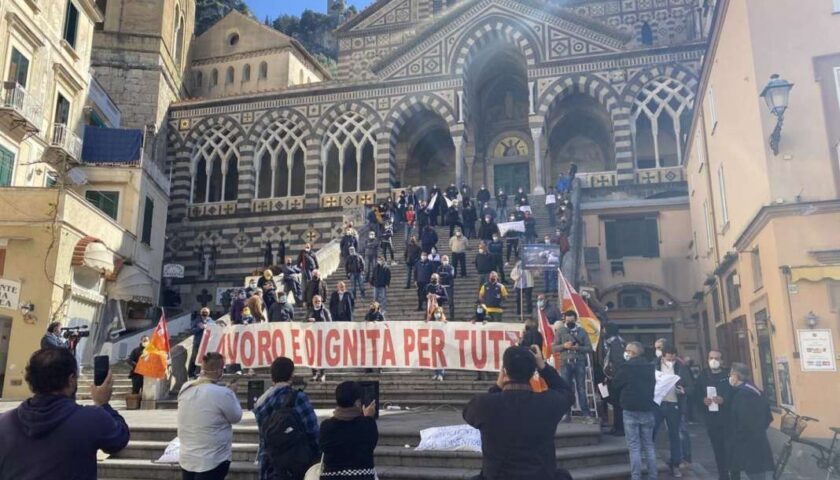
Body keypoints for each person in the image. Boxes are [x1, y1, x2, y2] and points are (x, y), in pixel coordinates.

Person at [0, 348, 129, 480]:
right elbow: (118, 440)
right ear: (71, 379)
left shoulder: (4, 422)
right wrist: (103, 404)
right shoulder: (91, 419)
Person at [463, 345, 574, 480]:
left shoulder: (484, 404)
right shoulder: (548, 402)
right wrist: (543, 367)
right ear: (533, 372)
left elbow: (467, 413)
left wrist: (497, 387)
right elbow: (567, 392)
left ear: (504, 372)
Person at [178, 352, 243, 480]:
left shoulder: (185, 387)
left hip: (187, 457)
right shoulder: (223, 393)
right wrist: (232, 393)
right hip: (213, 459)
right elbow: (236, 417)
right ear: (220, 371)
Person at [254, 357, 320, 480]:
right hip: (296, 461)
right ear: (291, 374)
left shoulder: (261, 403)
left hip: (269, 463)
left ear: (272, 375)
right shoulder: (298, 398)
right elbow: (313, 430)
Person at [611, 342, 658, 480]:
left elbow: (616, 384)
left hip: (630, 409)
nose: (625, 352)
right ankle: (653, 476)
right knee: (649, 445)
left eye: (627, 350)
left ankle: (636, 476)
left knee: (634, 447)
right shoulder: (650, 366)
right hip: (647, 408)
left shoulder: (626, 367)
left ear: (633, 352)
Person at [319, 381, 379, 480]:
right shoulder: (367, 424)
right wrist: (368, 417)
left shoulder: (326, 426)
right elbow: (370, 445)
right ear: (357, 402)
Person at [727, 362, 774, 480]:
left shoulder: (744, 395)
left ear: (736, 376)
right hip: (756, 439)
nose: (730, 377)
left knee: (755, 474)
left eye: (731, 374)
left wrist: (738, 437)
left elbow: (744, 421)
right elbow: (768, 417)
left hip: (748, 443)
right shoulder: (754, 389)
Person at [697, 349, 736, 480]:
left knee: (731, 450)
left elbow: (736, 394)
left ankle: (734, 475)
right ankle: (723, 476)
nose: (713, 361)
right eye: (711, 358)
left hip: (728, 419)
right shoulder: (703, 375)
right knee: (718, 450)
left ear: (722, 361)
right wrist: (703, 400)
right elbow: (696, 395)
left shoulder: (729, 376)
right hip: (712, 420)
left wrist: (724, 400)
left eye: (716, 358)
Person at [653, 343, 690, 477]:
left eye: (673, 359)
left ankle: (675, 464)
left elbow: (690, 386)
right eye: (668, 359)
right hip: (657, 403)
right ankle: (651, 463)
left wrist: (683, 390)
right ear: (662, 356)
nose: (671, 361)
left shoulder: (681, 367)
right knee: (652, 432)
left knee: (674, 435)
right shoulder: (654, 365)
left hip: (674, 404)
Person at [553, 310, 596, 423]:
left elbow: (589, 348)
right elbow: (554, 348)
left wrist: (578, 348)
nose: (569, 322)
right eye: (567, 320)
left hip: (579, 362)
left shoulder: (582, 331)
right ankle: (566, 414)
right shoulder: (561, 331)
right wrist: (564, 345)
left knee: (581, 389)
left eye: (571, 320)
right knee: (566, 389)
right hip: (565, 362)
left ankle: (586, 414)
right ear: (564, 320)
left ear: (576, 320)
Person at [600, 323, 626, 435]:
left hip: (614, 377)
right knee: (608, 398)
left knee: (616, 403)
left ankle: (619, 428)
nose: (603, 331)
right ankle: (615, 426)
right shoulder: (612, 342)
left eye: (604, 329)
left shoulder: (616, 343)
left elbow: (617, 361)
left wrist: (613, 376)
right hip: (609, 376)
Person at [307, 295, 332, 382]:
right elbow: (304, 321)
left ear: (321, 301)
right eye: (315, 301)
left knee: (322, 356)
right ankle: (314, 374)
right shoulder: (310, 310)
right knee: (312, 355)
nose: (317, 303)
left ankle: (322, 374)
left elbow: (329, 323)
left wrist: (318, 322)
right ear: (313, 302)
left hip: (322, 336)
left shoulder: (325, 311)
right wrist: (308, 320)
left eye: (319, 301)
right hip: (312, 337)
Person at [188, 308, 214, 378]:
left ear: (209, 313)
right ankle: (191, 374)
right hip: (198, 342)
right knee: (194, 358)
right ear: (201, 313)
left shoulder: (211, 321)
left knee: (205, 359)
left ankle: (203, 373)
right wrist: (200, 328)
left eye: (206, 312)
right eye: (203, 312)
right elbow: (191, 331)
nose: (205, 313)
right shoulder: (197, 321)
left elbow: (214, 329)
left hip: (207, 344)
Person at [438, 255, 456, 319]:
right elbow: (438, 275)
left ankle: (452, 317)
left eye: (446, 259)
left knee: (450, 302)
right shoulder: (439, 267)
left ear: (448, 260)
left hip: (449, 286)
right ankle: (439, 316)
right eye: (444, 259)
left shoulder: (451, 267)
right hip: (441, 287)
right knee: (439, 303)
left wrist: (443, 275)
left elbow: (451, 275)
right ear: (441, 260)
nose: (445, 261)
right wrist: (445, 274)